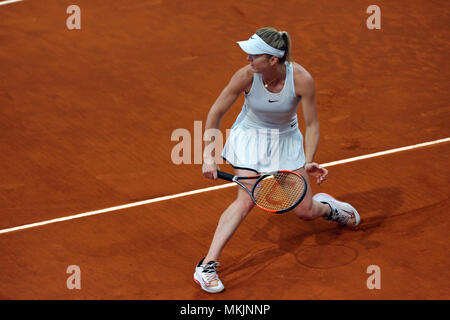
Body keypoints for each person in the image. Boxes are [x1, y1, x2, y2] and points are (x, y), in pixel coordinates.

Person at [194, 27, 360, 293]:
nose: (248, 59)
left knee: (305, 211)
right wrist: (207, 155)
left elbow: (313, 124)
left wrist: (308, 160)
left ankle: (329, 208)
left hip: (286, 140)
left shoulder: (302, 79)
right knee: (246, 198)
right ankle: (207, 265)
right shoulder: (246, 76)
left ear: (273, 60)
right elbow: (216, 112)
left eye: (254, 55)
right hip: (249, 136)